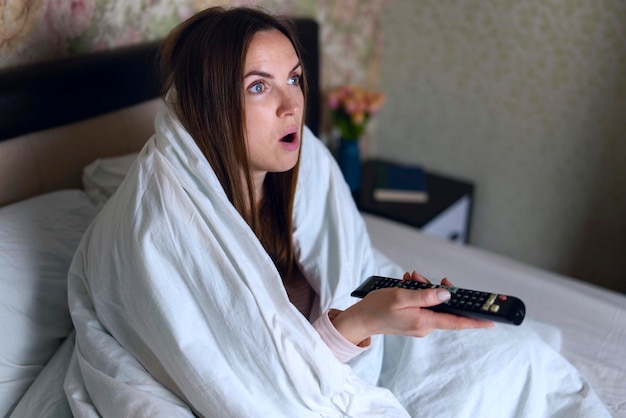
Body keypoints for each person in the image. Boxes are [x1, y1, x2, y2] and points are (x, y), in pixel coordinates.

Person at [64, 6, 610, 417]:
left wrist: (383, 304)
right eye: (259, 86)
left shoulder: (305, 162)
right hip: (309, 379)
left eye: (295, 78)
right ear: (208, 102)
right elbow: (247, 387)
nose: (291, 104)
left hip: (350, 357)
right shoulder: (161, 229)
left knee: (516, 359)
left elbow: (345, 263)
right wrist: (362, 323)